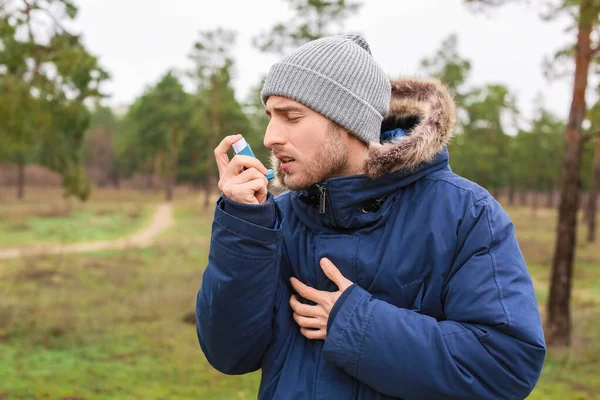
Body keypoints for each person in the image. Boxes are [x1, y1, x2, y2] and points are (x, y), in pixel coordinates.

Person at [195, 33, 546, 400]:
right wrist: (244, 225)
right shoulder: (276, 219)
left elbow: (506, 364)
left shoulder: (465, 213)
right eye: (270, 116)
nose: (269, 137)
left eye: (291, 116)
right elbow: (228, 353)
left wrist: (354, 324)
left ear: (348, 120)